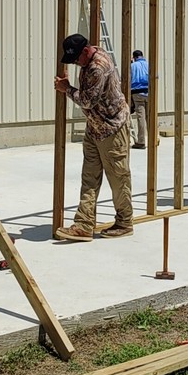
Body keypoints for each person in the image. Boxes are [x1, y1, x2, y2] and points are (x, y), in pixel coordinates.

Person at [54, 33, 134, 241]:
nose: (76, 63)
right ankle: (84, 224)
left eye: (76, 59)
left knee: (118, 177)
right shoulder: (89, 57)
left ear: (86, 51)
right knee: (89, 177)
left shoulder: (98, 67)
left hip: (112, 128)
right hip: (95, 127)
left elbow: (88, 101)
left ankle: (124, 222)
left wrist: (66, 89)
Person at [130, 50, 149, 149]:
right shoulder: (149, 65)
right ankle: (155, 138)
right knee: (150, 117)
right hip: (149, 92)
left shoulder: (132, 66)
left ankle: (141, 141)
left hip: (137, 93)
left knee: (141, 117)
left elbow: (128, 78)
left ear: (134, 57)